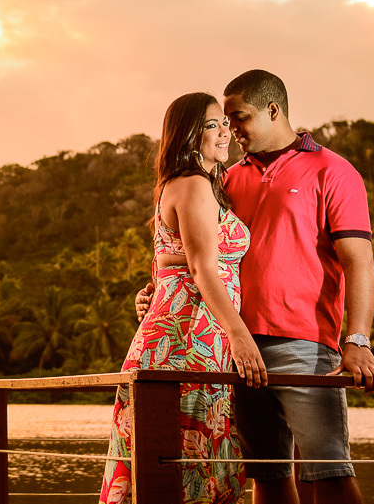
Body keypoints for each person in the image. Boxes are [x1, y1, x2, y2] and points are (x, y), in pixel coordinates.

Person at [135, 70, 374, 504]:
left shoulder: (333, 170)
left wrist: (358, 339)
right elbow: (199, 253)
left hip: (304, 344)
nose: (232, 130)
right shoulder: (226, 178)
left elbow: (359, 262)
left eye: (240, 118)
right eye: (225, 121)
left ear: (273, 111)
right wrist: (158, 288)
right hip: (232, 347)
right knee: (266, 474)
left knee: (328, 469)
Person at [100, 92, 265, 504]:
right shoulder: (192, 184)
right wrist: (241, 336)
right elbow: (203, 267)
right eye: (213, 125)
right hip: (188, 340)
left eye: (225, 123)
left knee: (187, 463)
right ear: (190, 135)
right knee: (183, 466)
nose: (225, 132)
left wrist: (154, 290)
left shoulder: (200, 185)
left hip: (195, 336)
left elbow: (169, 262)